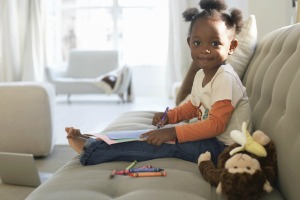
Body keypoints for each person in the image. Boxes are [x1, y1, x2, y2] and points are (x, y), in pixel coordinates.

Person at [66, 0, 251, 166]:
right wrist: (169, 117)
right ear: (189, 43)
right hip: (213, 141)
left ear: (231, 47)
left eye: (214, 43)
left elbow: (215, 125)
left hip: (227, 150)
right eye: (197, 43)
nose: (205, 50)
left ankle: (92, 151)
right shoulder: (202, 75)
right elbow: (194, 107)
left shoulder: (225, 78)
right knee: (150, 135)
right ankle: (97, 140)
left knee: (164, 144)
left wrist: (172, 133)